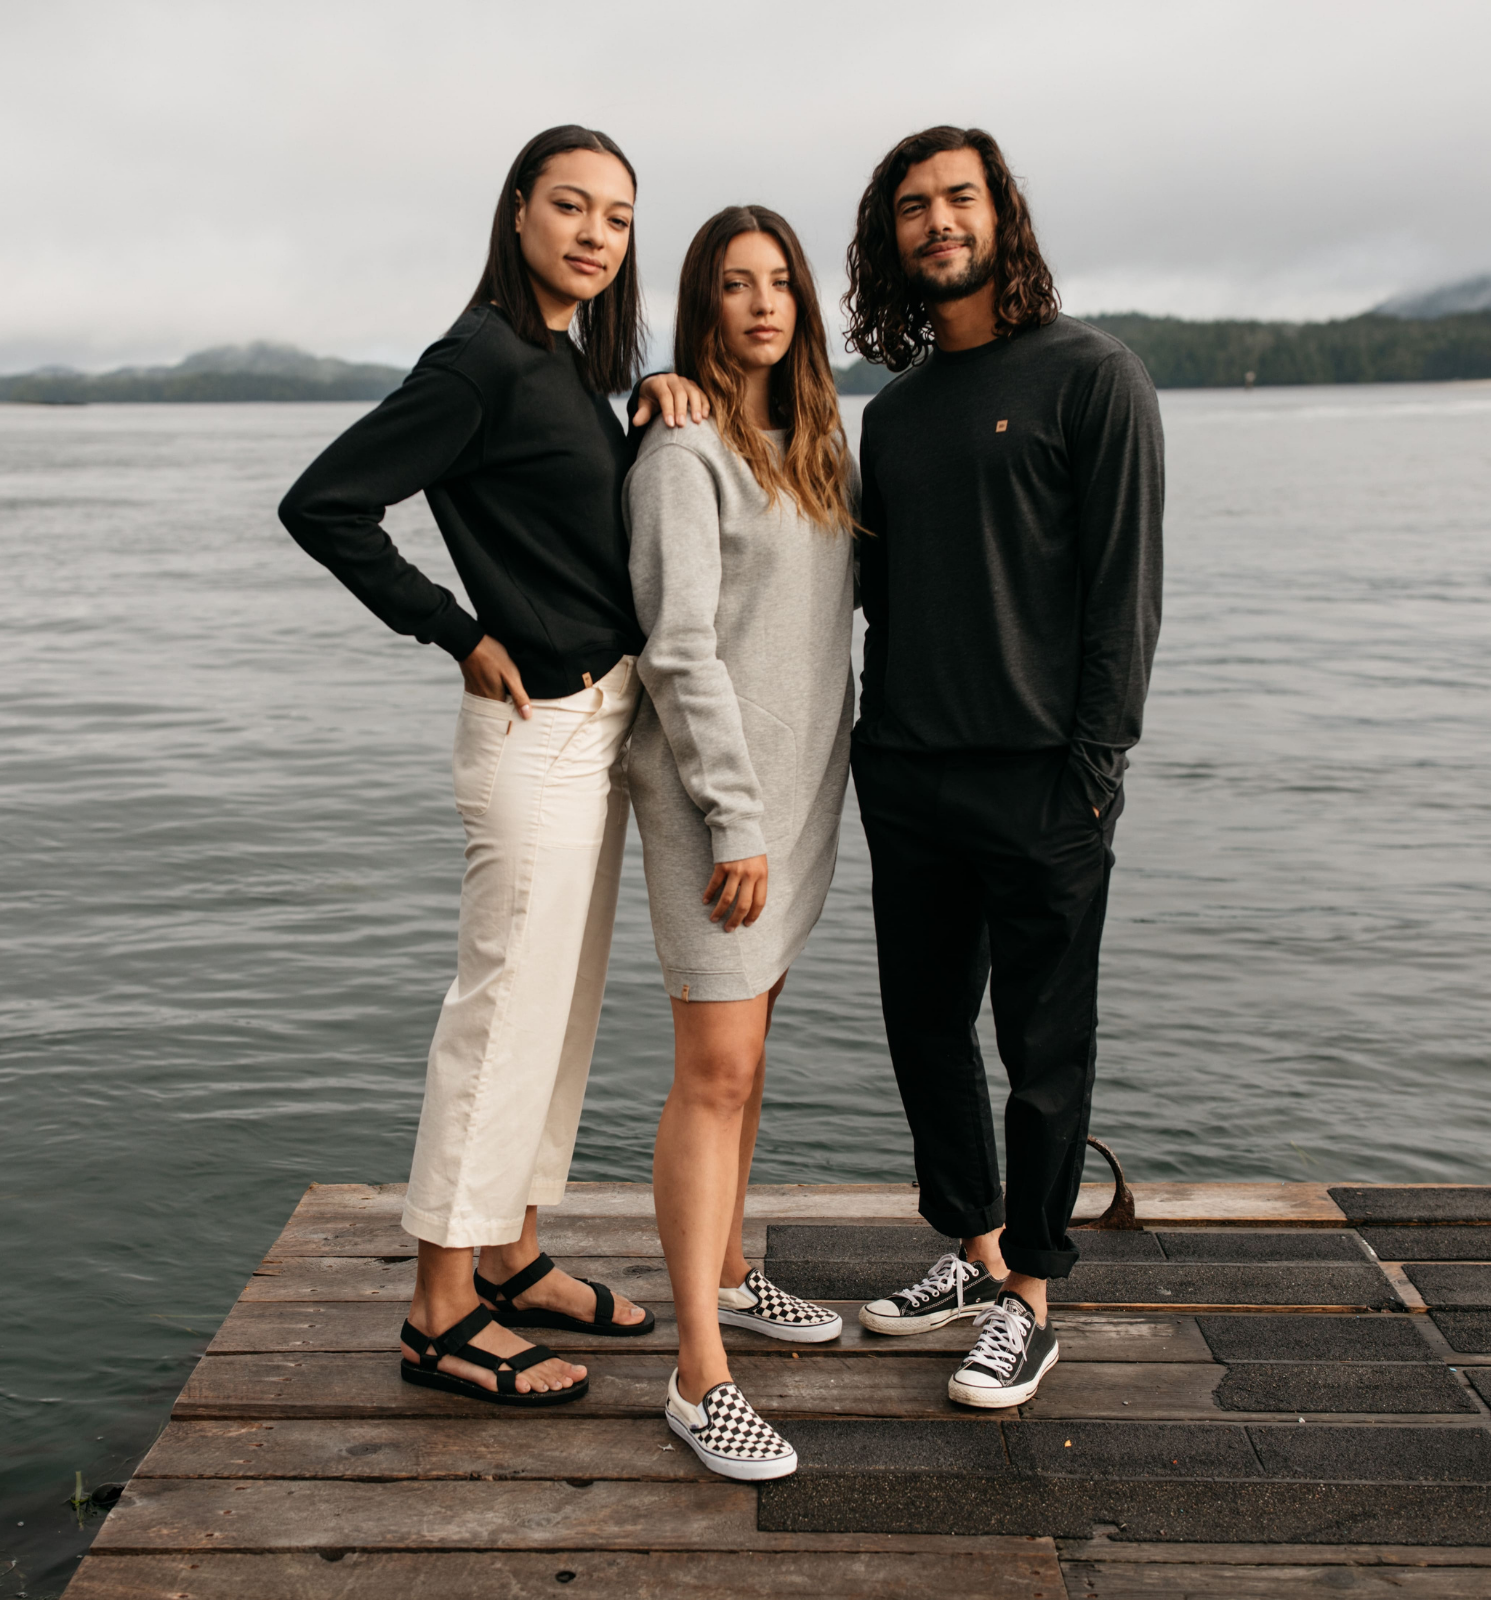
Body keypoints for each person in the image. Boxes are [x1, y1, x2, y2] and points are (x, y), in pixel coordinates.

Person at [276, 125, 706, 1408]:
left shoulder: (566, 363)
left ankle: (511, 1253)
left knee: (557, 1016)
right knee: (497, 1016)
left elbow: (570, 515)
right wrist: (454, 631)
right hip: (535, 733)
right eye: (568, 205)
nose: (592, 232)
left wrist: (652, 401)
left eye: (616, 217)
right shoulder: (474, 358)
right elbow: (323, 503)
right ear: (517, 211)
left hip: (600, 719)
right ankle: (436, 1309)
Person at [842, 127, 1163, 1408]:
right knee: (923, 1031)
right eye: (912, 208)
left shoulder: (1095, 376)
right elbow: (867, 593)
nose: (936, 223)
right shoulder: (898, 409)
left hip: (1042, 779)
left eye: (956, 199)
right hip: (908, 773)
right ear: (891, 238)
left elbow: (1120, 594)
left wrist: (1094, 769)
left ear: (1000, 214)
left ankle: (1029, 1293)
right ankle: (970, 1247)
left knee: (1040, 1044)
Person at [625, 206, 859, 1479]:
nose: (760, 304)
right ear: (701, 304)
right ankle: (695, 1368)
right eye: (733, 284)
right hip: (721, 811)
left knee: (750, 1057)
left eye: (778, 283)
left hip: (797, 795)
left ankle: (729, 1264)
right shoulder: (682, 448)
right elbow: (676, 646)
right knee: (712, 1069)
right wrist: (734, 815)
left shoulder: (819, 437)